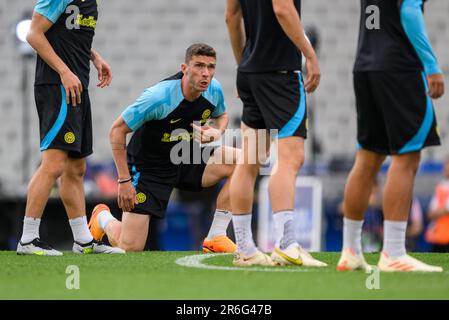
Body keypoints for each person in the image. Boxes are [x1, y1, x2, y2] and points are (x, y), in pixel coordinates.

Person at [88, 44, 238, 253]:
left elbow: (222, 115)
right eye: (199, 66)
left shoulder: (214, 90)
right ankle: (102, 218)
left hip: (185, 156)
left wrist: (217, 131)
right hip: (149, 167)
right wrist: (124, 180)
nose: (206, 73)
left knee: (244, 161)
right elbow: (116, 131)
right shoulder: (158, 97)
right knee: (130, 248)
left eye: (211, 67)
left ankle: (216, 236)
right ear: (184, 68)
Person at [337, 0, 444, 272]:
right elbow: (409, 9)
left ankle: (350, 250)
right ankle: (394, 251)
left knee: (367, 159)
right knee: (406, 158)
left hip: (364, 65)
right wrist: (431, 64)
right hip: (399, 68)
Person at [17, 0, 123, 255]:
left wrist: (94, 56)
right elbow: (34, 33)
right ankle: (28, 238)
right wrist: (64, 72)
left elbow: (65, 35)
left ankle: (83, 240)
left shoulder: (91, 3)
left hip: (77, 87)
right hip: (57, 85)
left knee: (76, 168)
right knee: (53, 164)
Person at [225, 0, 326, 267]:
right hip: (280, 74)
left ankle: (245, 248)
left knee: (249, 160)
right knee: (291, 158)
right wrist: (310, 55)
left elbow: (231, 17)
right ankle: (287, 243)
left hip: (249, 71)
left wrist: (242, 64)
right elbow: (282, 8)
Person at [425, 158, 449, 252]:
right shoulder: (440, 186)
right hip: (439, 236)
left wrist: (438, 212)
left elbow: (446, 209)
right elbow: (430, 212)